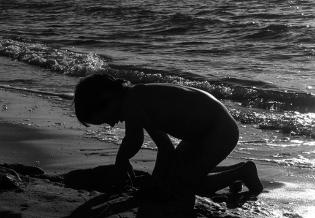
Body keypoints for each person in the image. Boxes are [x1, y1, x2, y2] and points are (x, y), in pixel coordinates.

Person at [73, 74, 263, 202]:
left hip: (218, 132)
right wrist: (156, 180)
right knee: (170, 177)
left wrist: (122, 159)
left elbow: (134, 139)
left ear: (108, 97)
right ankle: (230, 174)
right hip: (203, 134)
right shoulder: (140, 100)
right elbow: (165, 148)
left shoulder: (133, 100)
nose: (111, 124)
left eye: (105, 118)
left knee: (182, 186)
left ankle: (243, 172)